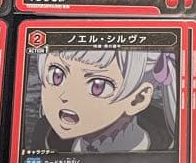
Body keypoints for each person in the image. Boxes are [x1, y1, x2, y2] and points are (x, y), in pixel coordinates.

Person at [30, 48, 177, 153]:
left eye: (97, 86)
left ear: (138, 99)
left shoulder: (169, 149)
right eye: (57, 76)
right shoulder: (44, 134)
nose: (65, 95)